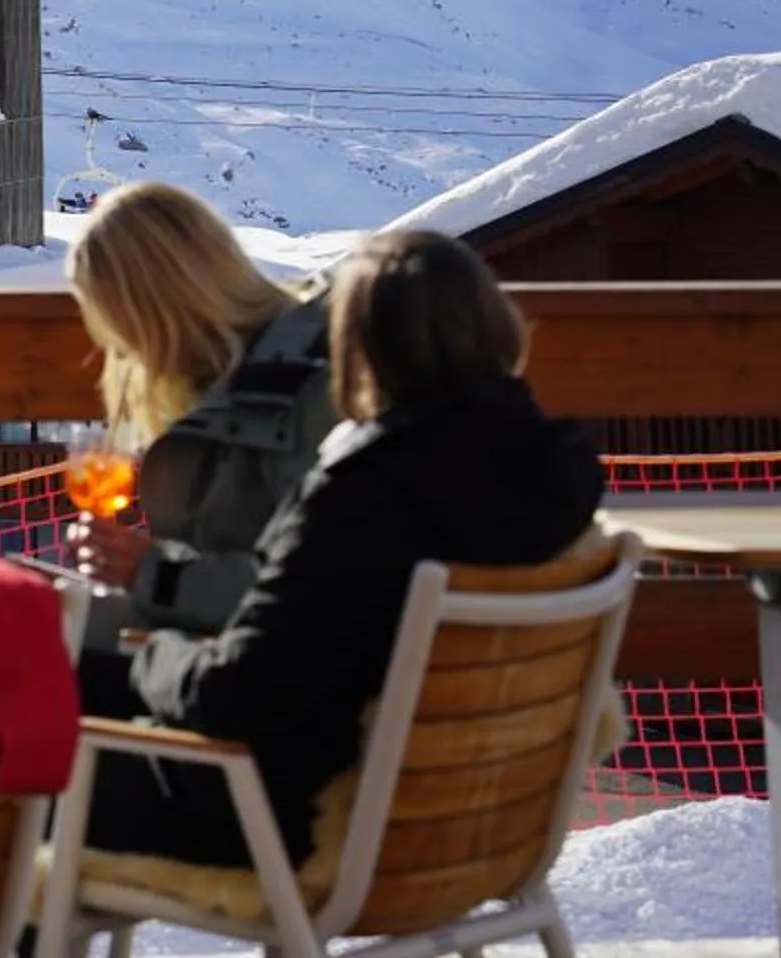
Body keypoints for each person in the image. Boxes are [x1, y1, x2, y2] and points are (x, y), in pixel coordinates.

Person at [74, 229, 604, 869]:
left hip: (293, 816)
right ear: (498, 326)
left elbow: (239, 693)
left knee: (5, 756)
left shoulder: (359, 498)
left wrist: (150, 658)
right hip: (471, 818)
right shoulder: (553, 474)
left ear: (356, 354)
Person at [62, 181, 334, 635]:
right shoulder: (268, 366)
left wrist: (150, 572)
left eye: (120, 329)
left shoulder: (306, 390)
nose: (120, 353)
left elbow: (318, 591)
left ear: (153, 314)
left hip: (287, 685)